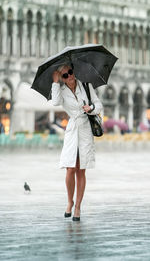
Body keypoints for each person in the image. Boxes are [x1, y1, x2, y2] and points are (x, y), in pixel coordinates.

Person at [52, 65, 103, 221]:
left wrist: (91, 108)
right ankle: (69, 201)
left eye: (71, 72)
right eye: (65, 75)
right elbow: (55, 102)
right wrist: (55, 83)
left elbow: (99, 105)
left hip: (86, 130)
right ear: (62, 78)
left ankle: (78, 207)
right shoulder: (60, 91)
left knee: (81, 169)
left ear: (74, 71)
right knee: (70, 168)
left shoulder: (86, 85)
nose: (70, 76)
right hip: (72, 129)